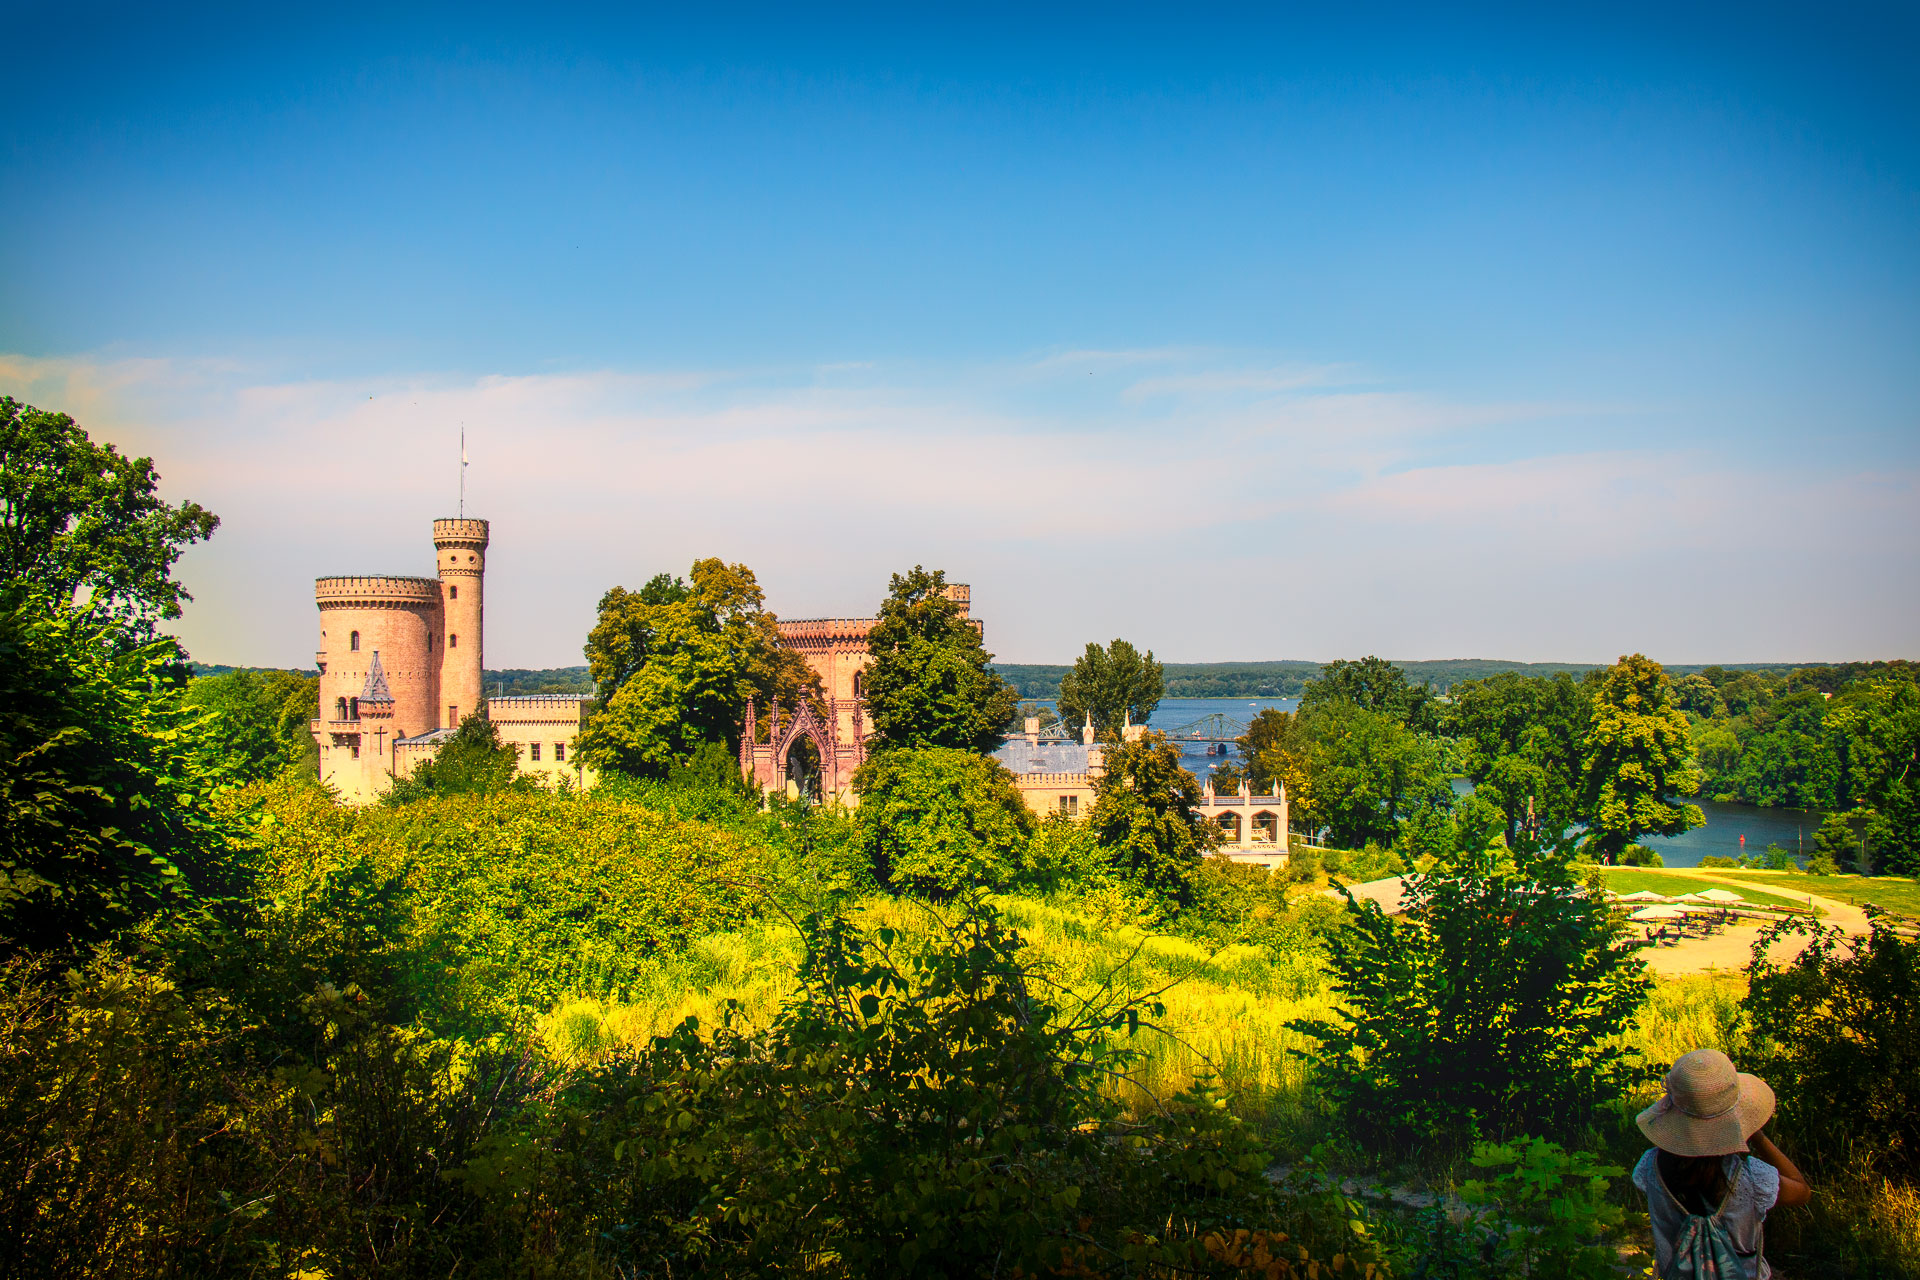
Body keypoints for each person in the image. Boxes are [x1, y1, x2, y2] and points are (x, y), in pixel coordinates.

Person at [1632, 1048, 1811, 1278]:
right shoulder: (1752, 1178)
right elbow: (1802, 1191)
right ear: (1734, 1117)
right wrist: (1757, 1136)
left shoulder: (1649, 1167)